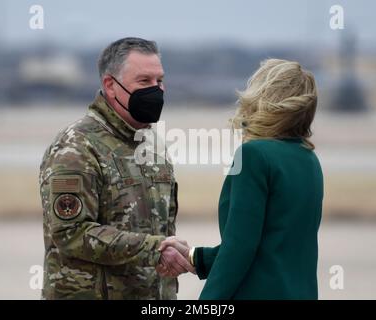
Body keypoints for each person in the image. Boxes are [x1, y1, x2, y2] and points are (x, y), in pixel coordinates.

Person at [39, 37, 193, 300]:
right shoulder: (76, 147)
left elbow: (163, 230)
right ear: (110, 85)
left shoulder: (152, 146)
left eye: (160, 81)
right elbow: (71, 232)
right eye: (144, 82)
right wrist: (153, 249)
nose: (157, 90)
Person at [159, 59, 324, 300]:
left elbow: (240, 249)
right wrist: (195, 257)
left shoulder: (254, 155)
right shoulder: (309, 160)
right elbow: (272, 245)